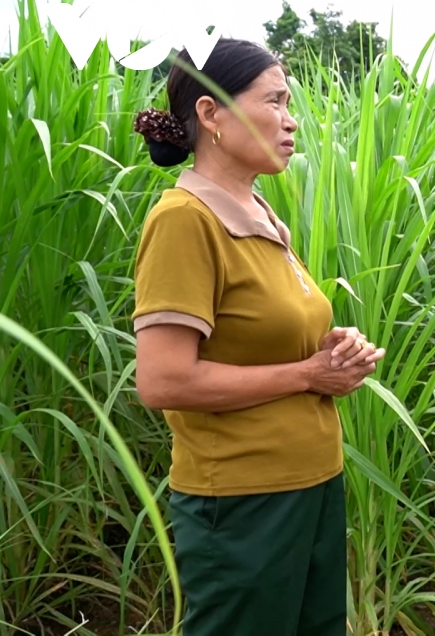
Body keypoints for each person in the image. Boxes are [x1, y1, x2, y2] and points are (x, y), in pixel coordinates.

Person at [130, 37, 385, 636]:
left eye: (289, 102)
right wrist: (305, 375)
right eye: (274, 101)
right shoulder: (185, 220)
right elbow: (163, 379)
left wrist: (328, 353)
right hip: (242, 504)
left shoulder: (262, 213)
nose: (291, 119)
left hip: (311, 484)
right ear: (211, 114)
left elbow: (261, 336)